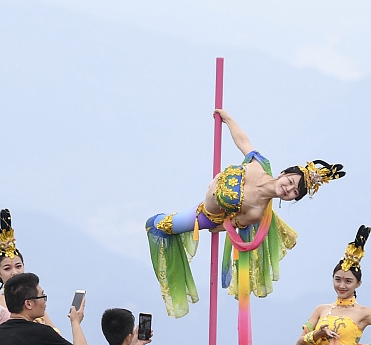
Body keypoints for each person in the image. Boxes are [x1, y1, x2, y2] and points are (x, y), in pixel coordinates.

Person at [146, 109, 344, 318]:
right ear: (283, 173)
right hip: (201, 203)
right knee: (156, 223)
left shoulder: (257, 212)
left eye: (295, 192)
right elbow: (243, 141)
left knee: (156, 225)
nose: (288, 189)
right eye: (290, 182)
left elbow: (225, 226)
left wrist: (210, 223)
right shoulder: (259, 164)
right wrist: (228, 119)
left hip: (203, 216)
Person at [0, 208, 57, 328]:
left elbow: (55, 332)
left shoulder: (34, 299)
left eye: (18, 266)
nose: (15, 272)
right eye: (7, 268)